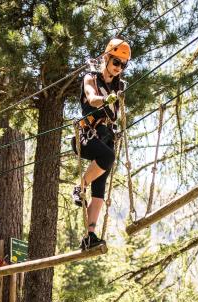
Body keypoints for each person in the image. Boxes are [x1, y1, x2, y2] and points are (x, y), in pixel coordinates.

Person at [71, 38, 131, 250]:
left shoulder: (117, 86)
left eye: (123, 65)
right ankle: (80, 186)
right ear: (106, 57)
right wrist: (105, 100)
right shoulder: (91, 78)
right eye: (116, 62)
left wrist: (116, 97)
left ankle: (90, 236)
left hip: (106, 138)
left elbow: (115, 114)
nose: (119, 68)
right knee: (107, 157)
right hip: (87, 136)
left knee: (100, 191)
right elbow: (91, 97)